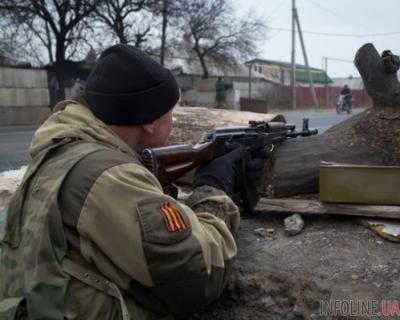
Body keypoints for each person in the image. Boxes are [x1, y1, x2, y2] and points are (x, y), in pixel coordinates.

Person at [0, 45, 263, 319]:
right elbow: (198, 276)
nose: (173, 120)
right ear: (149, 122)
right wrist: (214, 189)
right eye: (171, 112)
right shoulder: (109, 177)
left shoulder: (66, 148)